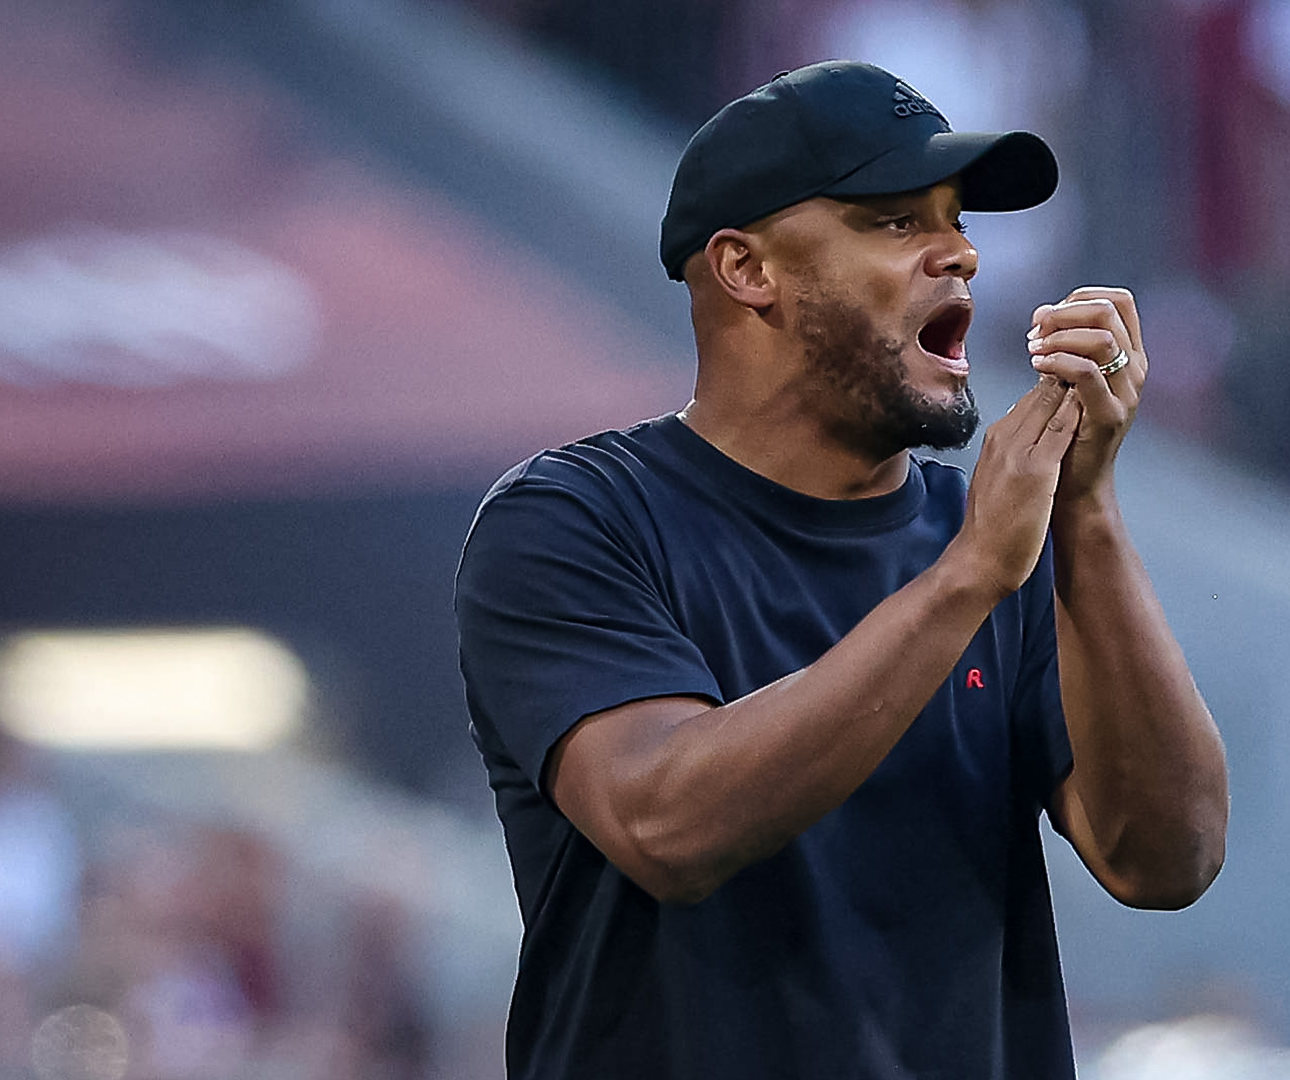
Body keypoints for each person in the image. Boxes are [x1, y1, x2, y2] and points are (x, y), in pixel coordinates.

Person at [455, 59, 1230, 1079]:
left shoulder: (1004, 538)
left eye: (957, 221)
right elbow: (664, 821)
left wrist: (1085, 512)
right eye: (896, 221)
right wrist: (966, 582)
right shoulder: (574, 521)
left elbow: (1165, 859)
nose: (960, 253)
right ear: (747, 269)